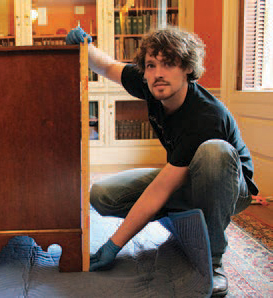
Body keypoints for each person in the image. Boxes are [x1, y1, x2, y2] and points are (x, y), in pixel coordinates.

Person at [66, 26, 258, 297]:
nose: (158, 73)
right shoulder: (150, 82)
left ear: (187, 68)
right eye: (151, 65)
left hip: (228, 186)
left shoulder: (205, 115)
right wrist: (85, 46)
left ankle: (213, 261)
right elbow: (107, 67)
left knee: (215, 152)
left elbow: (162, 187)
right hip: (185, 175)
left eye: (169, 64)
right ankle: (185, 220)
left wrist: (113, 245)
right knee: (103, 195)